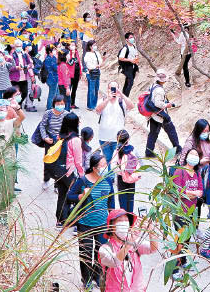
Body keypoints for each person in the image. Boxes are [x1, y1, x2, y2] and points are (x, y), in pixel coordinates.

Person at [68, 152, 112, 290]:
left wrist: (113, 224)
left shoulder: (108, 181)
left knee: (101, 252)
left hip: (102, 223)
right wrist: (81, 196)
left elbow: (111, 203)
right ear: (94, 167)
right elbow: (70, 196)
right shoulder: (83, 180)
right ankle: (86, 279)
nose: (106, 168)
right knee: (85, 252)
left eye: (106, 165)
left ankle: (97, 276)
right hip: (85, 223)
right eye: (103, 165)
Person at [98, 209, 159, 292]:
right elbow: (115, 262)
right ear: (111, 227)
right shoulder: (105, 249)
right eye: (119, 220)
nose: (124, 223)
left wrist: (151, 231)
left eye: (126, 220)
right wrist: (129, 243)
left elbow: (153, 249)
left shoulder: (135, 243)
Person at [171, 148, 204, 279]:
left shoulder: (197, 173)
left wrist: (191, 193)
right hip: (180, 212)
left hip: (192, 211)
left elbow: (200, 191)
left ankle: (183, 262)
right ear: (187, 156)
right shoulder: (180, 171)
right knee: (179, 239)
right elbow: (179, 192)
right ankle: (174, 268)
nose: (194, 156)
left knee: (187, 239)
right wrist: (193, 193)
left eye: (196, 155)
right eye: (192, 154)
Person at [50, 112, 83, 227]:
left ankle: (60, 221)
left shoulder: (60, 137)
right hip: (69, 172)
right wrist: (82, 174)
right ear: (75, 124)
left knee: (62, 195)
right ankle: (71, 220)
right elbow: (78, 161)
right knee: (74, 195)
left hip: (58, 171)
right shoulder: (76, 140)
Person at [144, 68, 181, 158]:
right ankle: (177, 148)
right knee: (170, 130)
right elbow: (158, 103)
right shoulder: (159, 90)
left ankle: (148, 152)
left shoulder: (153, 86)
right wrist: (167, 105)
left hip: (153, 114)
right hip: (159, 115)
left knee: (153, 133)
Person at [96, 81, 135, 162]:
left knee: (117, 161)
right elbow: (98, 110)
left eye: (115, 88)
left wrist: (121, 95)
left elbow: (131, 106)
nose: (113, 90)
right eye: (111, 88)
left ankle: (113, 175)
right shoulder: (102, 100)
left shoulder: (122, 101)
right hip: (104, 137)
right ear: (107, 89)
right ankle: (110, 175)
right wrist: (108, 99)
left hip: (118, 139)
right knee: (108, 160)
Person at [39, 95, 69, 190]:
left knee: (60, 163)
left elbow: (70, 128)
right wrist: (45, 138)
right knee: (48, 161)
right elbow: (42, 126)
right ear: (54, 104)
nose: (60, 105)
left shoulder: (67, 114)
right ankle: (46, 179)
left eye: (62, 104)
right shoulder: (48, 113)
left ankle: (57, 184)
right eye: (58, 104)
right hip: (50, 141)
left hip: (61, 142)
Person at [116, 137, 141, 214]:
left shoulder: (117, 151)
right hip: (132, 176)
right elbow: (140, 162)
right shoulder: (133, 150)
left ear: (117, 139)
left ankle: (124, 216)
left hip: (121, 178)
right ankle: (130, 216)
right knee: (130, 197)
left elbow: (114, 166)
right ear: (128, 139)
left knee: (122, 197)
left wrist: (122, 173)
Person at [9, 40, 34, 108]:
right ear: (14, 47)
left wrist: (27, 66)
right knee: (15, 94)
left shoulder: (25, 55)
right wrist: (16, 68)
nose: (19, 47)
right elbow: (9, 68)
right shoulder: (11, 56)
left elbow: (30, 63)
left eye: (20, 46)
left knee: (25, 93)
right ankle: (16, 106)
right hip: (15, 78)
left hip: (24, 77)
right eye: (17, 46)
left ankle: (19, 103)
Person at [83, 40, 104, 110]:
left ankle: (94, 104)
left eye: (95, 45)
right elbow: (89, 65)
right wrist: (96, 66)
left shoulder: (97, 53)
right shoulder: (87, 54)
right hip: (91, 73)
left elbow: (100, 61)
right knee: (91, 89)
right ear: (90, 46)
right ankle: (90, 105)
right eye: (94, 45)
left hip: (97, 72)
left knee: (96, 89)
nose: (95, 46)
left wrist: (98, 65)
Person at [117, 32, 139, 97]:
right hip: (127, 67)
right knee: (130, 82)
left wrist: (136, 59)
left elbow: (136, 55)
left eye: (133, 37)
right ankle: (126, 98)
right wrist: (130, 60)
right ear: (127, 39)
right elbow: (120, 58)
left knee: (127, 82)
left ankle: (123, 96)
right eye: (131, 38)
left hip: (133, 66)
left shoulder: (134, 46)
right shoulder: (125, 48)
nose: (132, 39)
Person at [43, 44, 59, 110]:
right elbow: (55, 68)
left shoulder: (53, 58)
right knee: (52, 94)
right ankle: (49, 108)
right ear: (50, 51)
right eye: (54, 49)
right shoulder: (49, 59)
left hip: (53, 78)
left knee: (54, 93)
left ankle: (51, 106)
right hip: (51, 78)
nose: (55, 51)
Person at [66, 42, 82, 108]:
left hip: (76, 73)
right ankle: (67, 104)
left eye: (74, 45)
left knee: (74, 89)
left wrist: (80, 73)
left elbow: (79, 63)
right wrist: (72, 55)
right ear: (69, 46)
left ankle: (72, 103)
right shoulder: (67, 54)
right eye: (72, 45)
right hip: (70, 75)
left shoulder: (76, 53)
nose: (73, 46)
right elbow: (70, 63)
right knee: (69, 89)